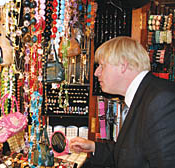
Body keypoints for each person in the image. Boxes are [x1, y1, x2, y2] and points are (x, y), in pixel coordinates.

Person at [69, 36, 175, 168]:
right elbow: (131, 153)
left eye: (102, 65)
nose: (96, 73)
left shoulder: (161, 100)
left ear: (123, 66)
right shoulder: (143, 96)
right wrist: (93, 146)